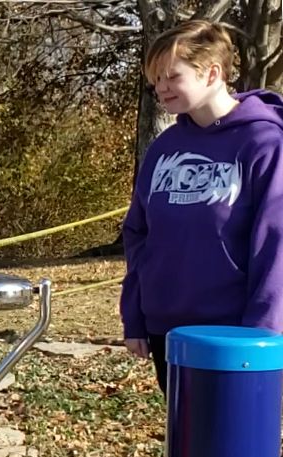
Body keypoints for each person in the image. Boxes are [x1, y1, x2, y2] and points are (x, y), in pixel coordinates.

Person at [120, 20, 283, 394]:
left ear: (211, 73)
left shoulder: (264, 143)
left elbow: (275, 243)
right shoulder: (164, 148)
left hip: (236, 336)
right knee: (191, 446)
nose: (160, 87)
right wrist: (137, 315)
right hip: (170, 334)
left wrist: (261, 335)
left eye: (171, 76)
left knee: (239, 448)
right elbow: (137, 235)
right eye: (155, 79)